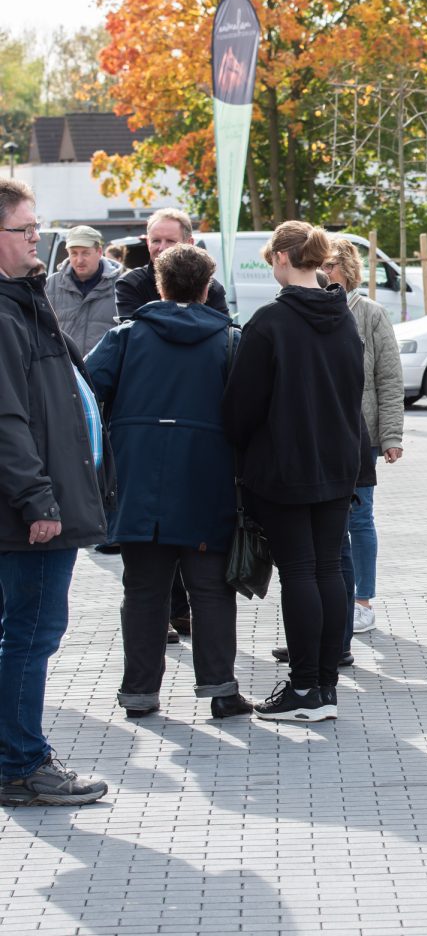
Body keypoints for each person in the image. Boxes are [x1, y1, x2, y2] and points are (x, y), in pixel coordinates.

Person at [86, 244, 252, 720]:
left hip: (138, 485)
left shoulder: (127, 336)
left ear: (159, 285)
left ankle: (139, 694)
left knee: (142, 591)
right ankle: (221, 690)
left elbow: (86, 392)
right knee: (211, 591)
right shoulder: (229, 341)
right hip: (207, 484)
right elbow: (246, 414)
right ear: (206, 289)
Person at [0, 177, 114, 806]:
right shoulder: (6, 313)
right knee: (31, 634)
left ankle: (15, 757)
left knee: (22, 632)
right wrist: (38, 501)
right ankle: (21, 765)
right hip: (32, 515)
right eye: (24, 230)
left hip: (41, 505)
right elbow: (8, 420)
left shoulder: (24, 303)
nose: (35, 240)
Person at [223, 221, 364, 722]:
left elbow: (240, 409)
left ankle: (305, 688)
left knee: (302, 572)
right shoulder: (343, 317)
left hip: (285, 466)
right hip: (337, 463)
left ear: (283, 258)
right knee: (328, 569)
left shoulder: (269, 324)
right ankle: (323, 684)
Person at [115, 207, 225, 640]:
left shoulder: (209, 289)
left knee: (193, 562)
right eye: (153, 240)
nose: (159, 248)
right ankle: (149, 680)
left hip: (196, 439)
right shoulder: (130, 285)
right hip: (146, 436)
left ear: (189, 243)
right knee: (148, 566)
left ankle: (214, 680)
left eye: (168, 241)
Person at [322, 236, 404, 640]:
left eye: (331, 266)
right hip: (320, 431)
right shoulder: (308, 308)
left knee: (359, 516)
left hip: (361, 432)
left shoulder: (369, 313)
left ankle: (362, 602)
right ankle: (334, 598)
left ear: (348, 269)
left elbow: (389, 376)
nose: (324, 273)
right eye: (319, 265)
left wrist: (390, 434)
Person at [45, 225, 121, 355]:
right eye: (73, 253)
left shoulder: (121, 285)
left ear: (99, 252)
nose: (79, 260)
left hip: (106, 371)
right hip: (65, 371)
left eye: (85, 253)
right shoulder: (50, 285)